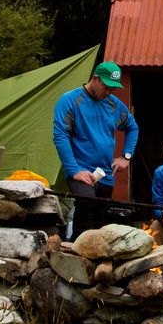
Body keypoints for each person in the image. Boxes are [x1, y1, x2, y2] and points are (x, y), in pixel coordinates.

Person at [52, 61, 139, 239]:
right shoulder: (70, 100)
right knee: (86, 203)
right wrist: (74, 170)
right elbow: (60, 136)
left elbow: (132, 127)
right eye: (106, 87)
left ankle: (96, 260)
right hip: (79, 167)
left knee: (101, 219)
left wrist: (126, 156)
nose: (108, 93)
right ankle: (77, 252)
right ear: (95, 79)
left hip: (105, 172)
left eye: (112, 89)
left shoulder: (114, 105)